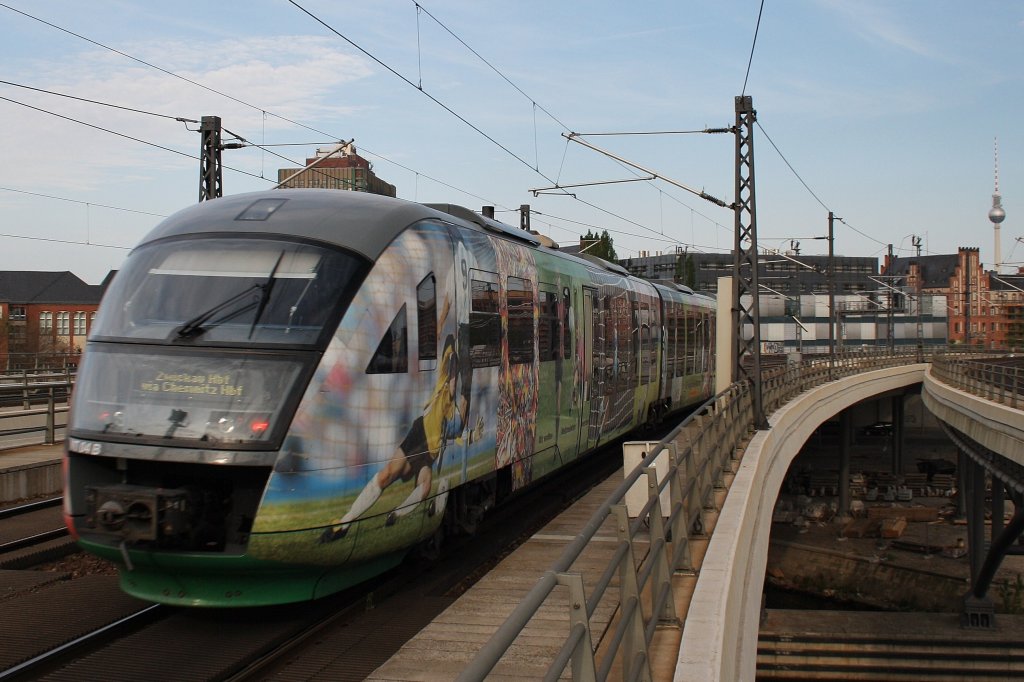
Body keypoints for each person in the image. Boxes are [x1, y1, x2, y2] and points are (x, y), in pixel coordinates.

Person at [320, 335, 477, 542]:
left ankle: (395, 515)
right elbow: (447, 346)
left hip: (430, 453)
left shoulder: (454, 413)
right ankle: (345, 522)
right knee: (388, 474)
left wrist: (467, 384)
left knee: (425, 486)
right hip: (418, 433)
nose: (455, 376)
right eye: (455, 372)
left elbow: (462, 416)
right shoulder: (442, 383)